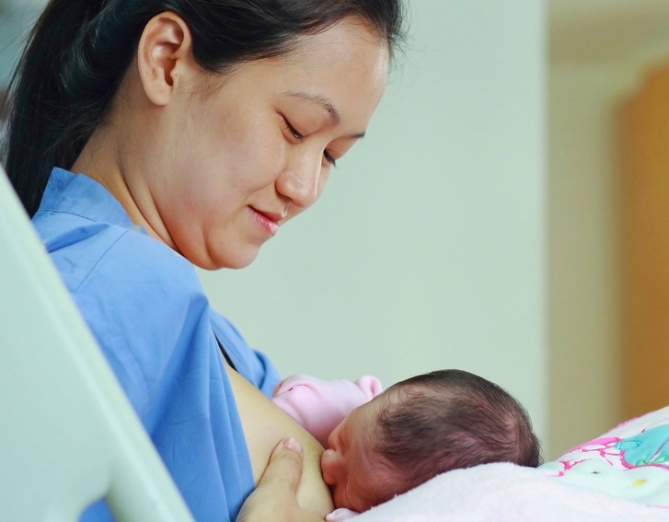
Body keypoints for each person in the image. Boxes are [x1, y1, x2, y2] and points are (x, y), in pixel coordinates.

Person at [2, 1, 404, 521]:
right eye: (296, 129)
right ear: (166, 61)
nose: (305, 188)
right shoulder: (112, 285)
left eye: (331, 156)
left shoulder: (215, 338)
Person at [271, 369, 543, 519]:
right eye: (343, 440)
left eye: (349, 486)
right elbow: (293, 391)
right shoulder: (352, 405)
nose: (328, 464)